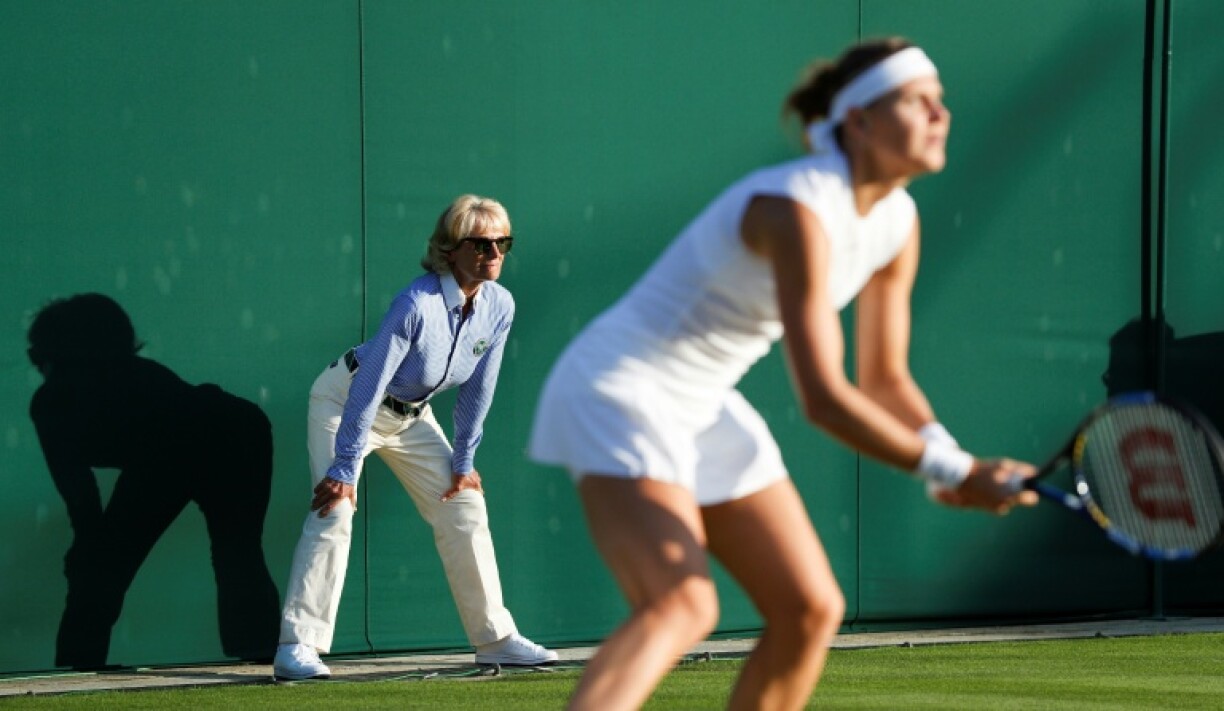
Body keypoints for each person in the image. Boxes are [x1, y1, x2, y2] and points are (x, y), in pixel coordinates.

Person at [528, 38, 1038, 710]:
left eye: (940, 99)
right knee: (681, 602)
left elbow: (884, 377)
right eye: (917, 100)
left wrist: (949, 456)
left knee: (810, 607)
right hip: (620, 384)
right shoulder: (796, 207)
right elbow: (825, 398)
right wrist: (950, 473)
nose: (941, 113)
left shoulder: (899, 222)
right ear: (859, 121)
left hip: (704, 401)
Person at [274, 194, 557, 681]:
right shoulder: (416, 302)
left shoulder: (499, 305)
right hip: (346, 401)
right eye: (481, 244)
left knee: (463, 504)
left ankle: (495, 639)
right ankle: (297, 647)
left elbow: (478, 388)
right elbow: (370, 382)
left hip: (410, 417)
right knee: (334, 509)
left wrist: (464, 461)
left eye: (502, 243)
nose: (494, 254)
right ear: (450, 250)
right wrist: (344, 466)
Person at [27, 293, 280, 669]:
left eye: (38, 355)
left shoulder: (57, 399)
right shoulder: (131, 378)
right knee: (237, 553)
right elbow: (84, 499)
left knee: (105, 570)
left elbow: (80, 496)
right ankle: (261, 655)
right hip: (236, 430)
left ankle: (76, 668)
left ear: (57, 354)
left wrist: (87, 545)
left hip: (204, 438)